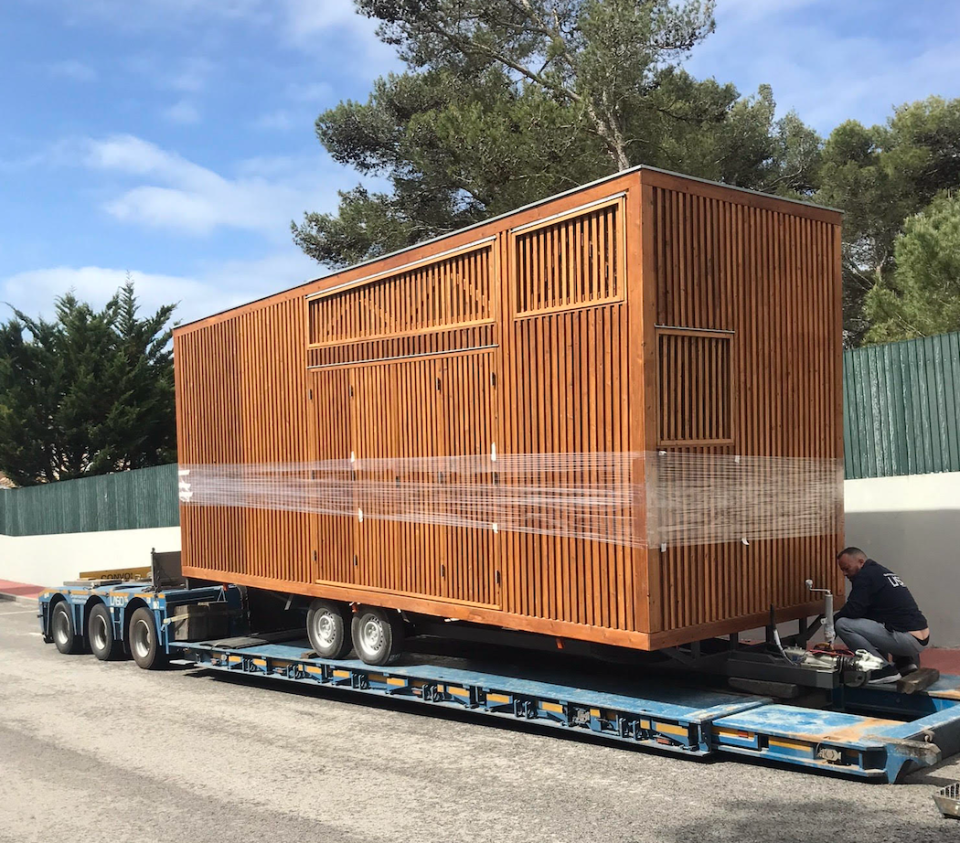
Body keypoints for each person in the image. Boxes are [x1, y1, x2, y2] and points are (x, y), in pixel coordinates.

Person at [833, 547, 930, 684]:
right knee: (879, 616)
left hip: (907, 640)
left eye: (847, 568)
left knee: (842, 624)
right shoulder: (882, 572)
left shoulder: (865, 576)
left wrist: (834, 620)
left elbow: (854, 609)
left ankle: (881, 669)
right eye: (842, 570)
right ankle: (905, 663)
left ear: (861, 562)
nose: (844, 573)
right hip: (921, 636)